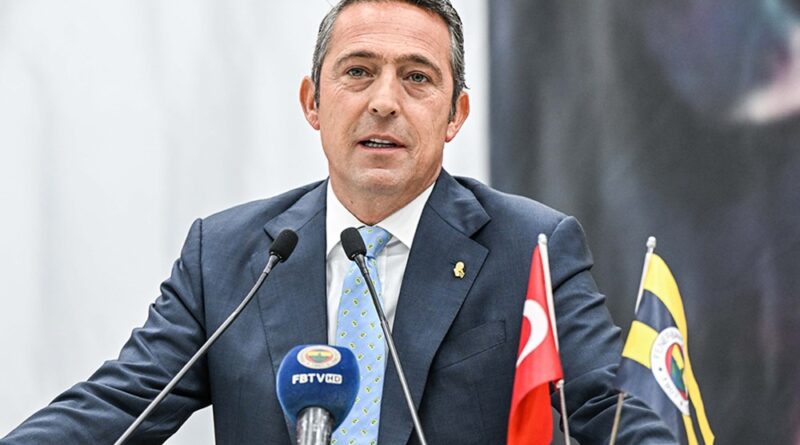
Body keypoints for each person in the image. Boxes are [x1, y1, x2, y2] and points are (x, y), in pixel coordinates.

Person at [2, 0, 676, 443]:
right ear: (313, 103)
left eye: (417, 78)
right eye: (358, 72)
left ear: (456, 116)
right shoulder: (228, 254)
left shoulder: (530, 247)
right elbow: (119, 406)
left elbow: (609, 408)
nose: (385, 102)